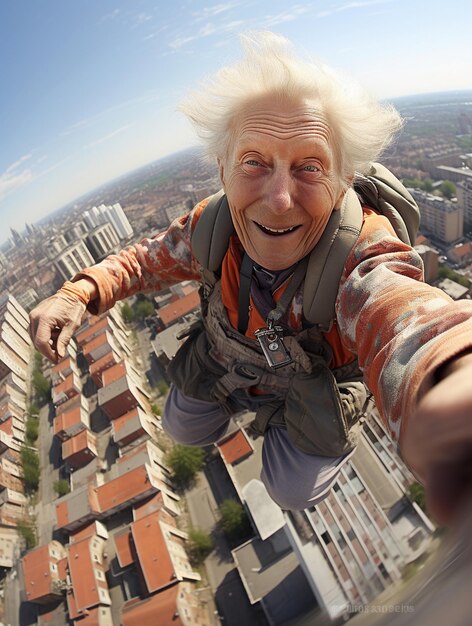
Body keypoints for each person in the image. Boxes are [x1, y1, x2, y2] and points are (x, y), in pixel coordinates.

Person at [30, 32, 472, 522]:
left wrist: (448, 381)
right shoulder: (211, 228)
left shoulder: (360, 251)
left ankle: (297, 431)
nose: (279, 198)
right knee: (181, 425)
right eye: (253, 162)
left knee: (291, 488)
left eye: (309, 166)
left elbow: (405, 317)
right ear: (223, 171)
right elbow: (146, 261)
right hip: (231, 362)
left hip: (311, 384)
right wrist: (81, 290)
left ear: (344, 180)